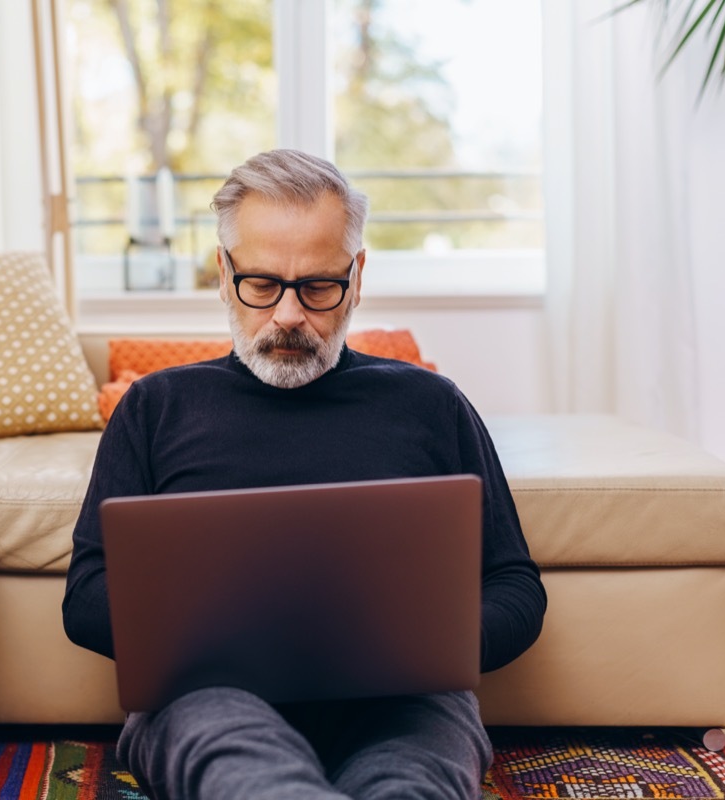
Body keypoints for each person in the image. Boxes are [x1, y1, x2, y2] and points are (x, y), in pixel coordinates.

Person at [62, 148, 547, 800]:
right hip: (210, 698)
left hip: (404, 699)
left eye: (319, 287)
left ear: (358, 274)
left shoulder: (430, 405)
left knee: (412, 783)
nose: (288, 316)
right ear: (223, 270)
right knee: (251, 779)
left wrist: (434, 644)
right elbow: (86, 596)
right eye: (261, 285)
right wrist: (214, 638)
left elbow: (515, 584)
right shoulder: (155, 408)